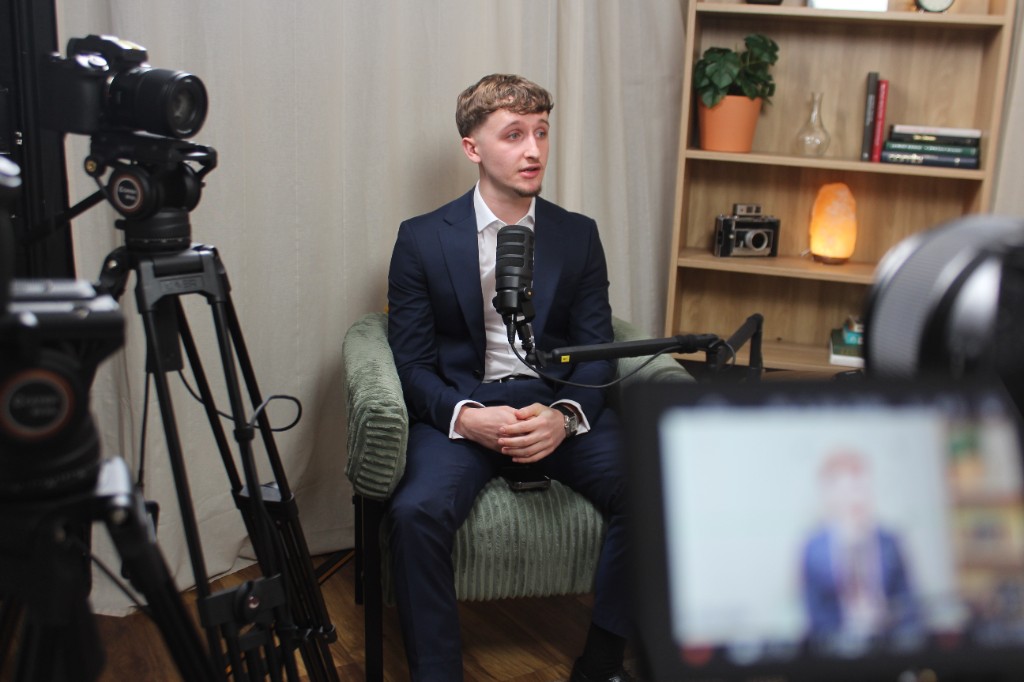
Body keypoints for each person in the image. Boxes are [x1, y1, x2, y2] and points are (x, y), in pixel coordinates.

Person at [386, 74, 632, 681]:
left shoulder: (578, 235)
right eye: (515, 134)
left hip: (554, 406)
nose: (534, 150)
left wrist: (565, 416)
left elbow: (597, 350)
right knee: (415, 513)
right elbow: (411, 364)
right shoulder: (421, 239)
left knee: (653, 488)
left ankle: (602, 660)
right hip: (466, 409)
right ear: (473, 147)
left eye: (542, 133)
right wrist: (467, 419)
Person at [800, 451, 920, 646]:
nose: (857, 497)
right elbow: (815, 618)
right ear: (829, 495)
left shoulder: (890, 540)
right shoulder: (813, 549)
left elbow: (909, 607)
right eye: (847, 489)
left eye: (861, 487)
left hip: (890, 646)